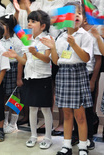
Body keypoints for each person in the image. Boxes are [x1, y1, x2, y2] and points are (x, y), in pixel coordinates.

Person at [40, 2, 93, 155]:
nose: (76, 15)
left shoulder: (85, 36)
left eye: (79, 13)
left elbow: (85, 58)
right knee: (67, 114)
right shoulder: (61, 36)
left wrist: (74, 44)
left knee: (80, 115)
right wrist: (53, 47)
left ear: (83, 18)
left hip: (78, 73)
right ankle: (66, 145)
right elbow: (56, 61)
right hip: (63, 74)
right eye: (72, 13)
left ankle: (83, 147)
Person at [3, 10, 53, 149]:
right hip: (29, 77)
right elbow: (24, 61)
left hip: (42, 78)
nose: (29, 24)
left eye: (33, 21)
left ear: (42, 26)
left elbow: (48, 59)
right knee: (32, 108)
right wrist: (15, 56)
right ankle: (33, 135)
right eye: (29, 21)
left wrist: (36, 53)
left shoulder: (47, 39)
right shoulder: (27, 40)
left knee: (45, 109)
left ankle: (48, 137)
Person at [71, 13, 102, 150]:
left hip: (88, 75)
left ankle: (88, 137)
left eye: (79, 15)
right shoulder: (72, 35)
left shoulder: (92, 36)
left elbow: (98, 60)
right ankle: (77, 134)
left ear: (84, 20)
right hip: (74, 75)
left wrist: (93, 80)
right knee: (75, 108)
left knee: (87, 110)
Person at [0, 14, 23, 134]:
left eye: (2, 25)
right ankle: (6, 121)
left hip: (14, 69)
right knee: (4, 96)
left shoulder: (16, 41)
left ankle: (14, 123)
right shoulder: (0, 40)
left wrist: (19, 77)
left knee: (14, 97)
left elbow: (20, 61)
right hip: (3, 69)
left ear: (9, 26)